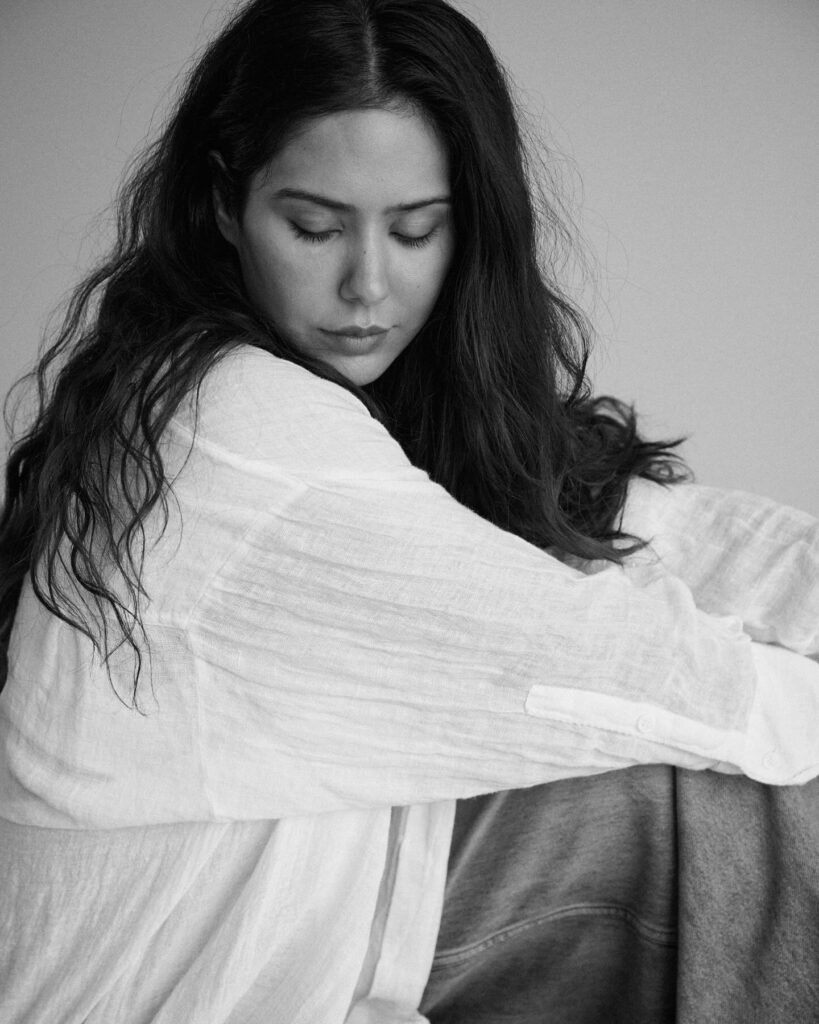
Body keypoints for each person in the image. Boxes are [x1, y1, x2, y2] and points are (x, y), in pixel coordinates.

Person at [1, 1, 818, 1021]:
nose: (368, 285)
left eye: (416, 229)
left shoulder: (360, 402)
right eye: (313, 227)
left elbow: (650, 528)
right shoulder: (237, 425)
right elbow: (629, 669)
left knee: (703, 797)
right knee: (742, 798)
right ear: (221, 205)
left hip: (320, 932)